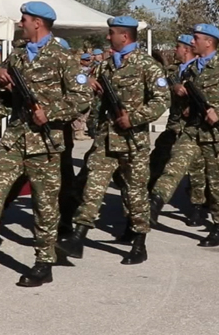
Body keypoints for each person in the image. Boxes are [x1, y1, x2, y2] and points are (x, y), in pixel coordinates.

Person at [0, 2, 92, 286]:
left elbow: (83, 97)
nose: (20, 23)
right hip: (14, 139)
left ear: (38, 22)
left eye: (24, 19)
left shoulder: (63, 58)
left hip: (45, 142)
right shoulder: (20, 55)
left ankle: (44, 261)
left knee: (44, 204)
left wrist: (50, 112)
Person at [57, 16, 168, 263]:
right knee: (92, 186)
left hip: (133, 142)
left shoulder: (147, 66)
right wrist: (90, 83)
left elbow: (162, 100)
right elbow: (85, 84)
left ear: (125, 36)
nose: (108, 37)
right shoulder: (106, 66)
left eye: (112, 33)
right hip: (106, 140)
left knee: (135, 193)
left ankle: (139, 243)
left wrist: (135, 118)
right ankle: (78, 236)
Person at [150, 24, 219, 247]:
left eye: (196, 38)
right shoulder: (190, 68)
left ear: (209, 42)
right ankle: (153, 205)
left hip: (216, 136)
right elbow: (181, 92)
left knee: (216, 184)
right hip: (192, 131)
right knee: (173, 167)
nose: (192, 42)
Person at [148, 34, 206, 226]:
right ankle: (147, 199)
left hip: (192, 128)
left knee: (195, 169)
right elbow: (163, 84)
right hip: (173, 126)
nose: (175, 50)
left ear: (186, 49)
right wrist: (174, 86)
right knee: (157, 160)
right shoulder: (173, 71)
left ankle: (197, 207)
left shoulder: (199, 70)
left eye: (177, 47)